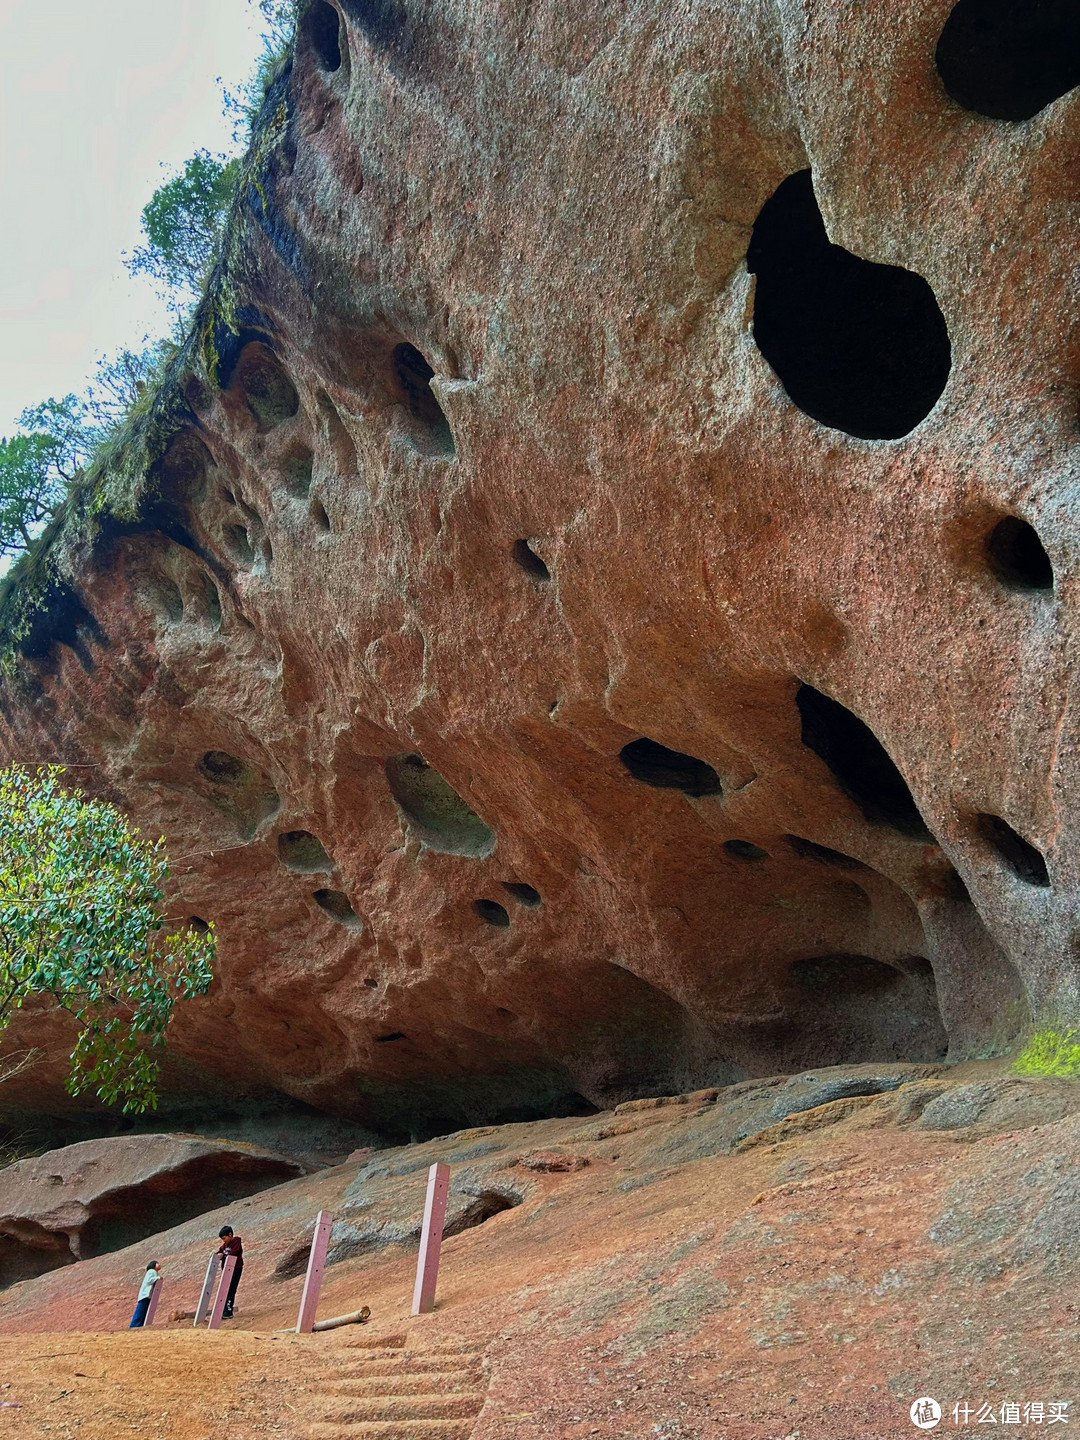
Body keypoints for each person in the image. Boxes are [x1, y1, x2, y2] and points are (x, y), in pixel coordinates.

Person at [216, 1225, 243, 1319]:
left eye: (224, 1238)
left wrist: (223, 1255)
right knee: (225, 1289)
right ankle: (223, 1309)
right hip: (226, 1271)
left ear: (230, 1235)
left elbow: (234, 1252)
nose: (224, 1241)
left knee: (231, 1289)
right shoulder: (225, 1245)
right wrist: (218, 1255)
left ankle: (228, 1310)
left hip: (236, 1269)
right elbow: (220, 1251)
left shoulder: (236, 1242)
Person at [128, 1260, 161, 1328]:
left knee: (144, 1311)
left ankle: (139, 1325)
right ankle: (134, 1325)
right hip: (145, 1295)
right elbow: (149, 1280)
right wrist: (157, 1278)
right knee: (140, 1311)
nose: (159, 1265)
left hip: (146, 1296)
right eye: (157, 1264)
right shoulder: (151, 1271)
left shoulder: (154, 1272)